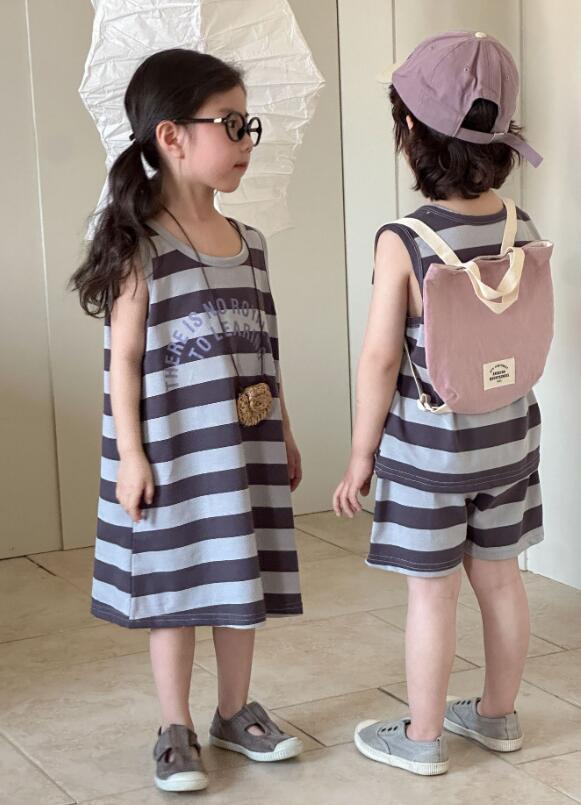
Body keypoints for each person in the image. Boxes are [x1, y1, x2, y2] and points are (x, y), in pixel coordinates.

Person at [69, 47, 304, 793]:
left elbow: (265, 353)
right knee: (174, 589)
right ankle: (175, 726)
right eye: (230, 123)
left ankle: (235, 712)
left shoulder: (251, 244)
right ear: (172, 136)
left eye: (248, 124)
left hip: (243, 445)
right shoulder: (140, 247)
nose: (245, 139)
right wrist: (130, 455)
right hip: (173, 450)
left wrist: (285, 430)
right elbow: (123, 361)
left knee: (239, 580)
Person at [333, 31, 545, 776]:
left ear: (411, 130)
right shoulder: (520, 225)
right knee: (501, 578)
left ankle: (422, 737)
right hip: (510, 440)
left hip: (430, 453)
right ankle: (497, 715)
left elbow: (380, 358)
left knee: (432, 596)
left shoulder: (406, 239)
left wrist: (361, 456)